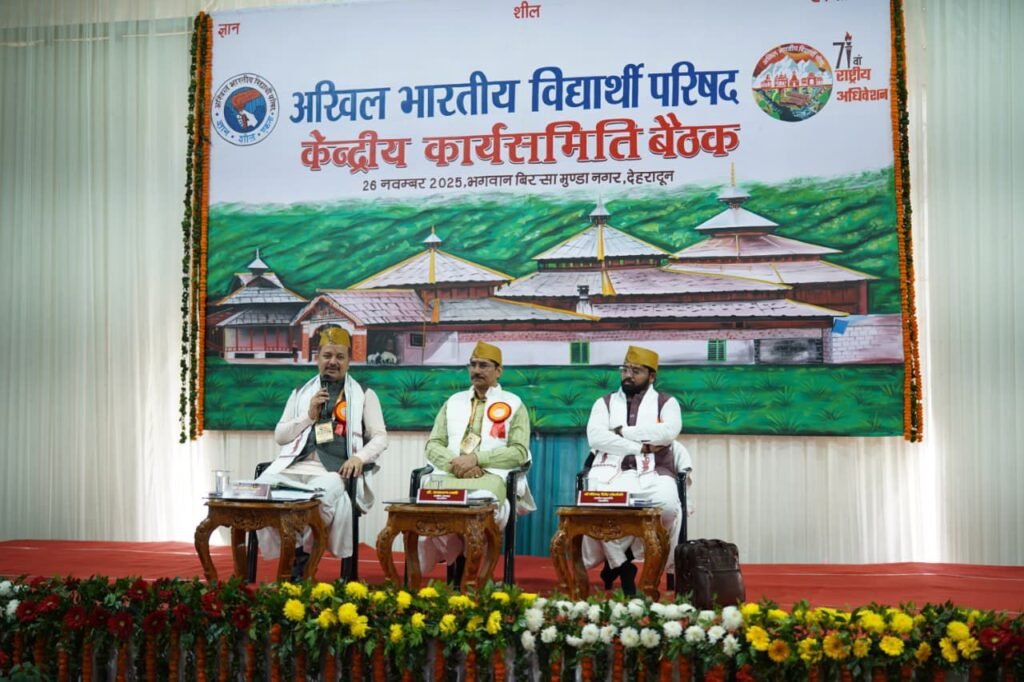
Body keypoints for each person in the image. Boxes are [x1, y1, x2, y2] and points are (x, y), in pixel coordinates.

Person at [256, 326, 388, 578]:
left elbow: (380, 437)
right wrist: (308, 416)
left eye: (340, 357)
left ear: (349, 361)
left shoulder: (365, 394)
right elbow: (281, 436)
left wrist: (359, 458)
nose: (333, 362)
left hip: (335, 470)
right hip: (295, 465)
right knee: (262, 490)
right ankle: (293, 550)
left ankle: (302, 558)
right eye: (327, 355)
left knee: (321, 498)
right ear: (317, 358)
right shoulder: (301, 393)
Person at [417, 341, 534, 573]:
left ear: (499, 370)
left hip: (491, 476)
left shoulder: (514, 403)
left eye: (483, 365)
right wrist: (457, 464)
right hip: (451, 472)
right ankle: (454, 565)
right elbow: (433, 445)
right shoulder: (453, 402)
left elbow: (519, 451)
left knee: (477, 510)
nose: (476, 370)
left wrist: (477, 459)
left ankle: (469, 573)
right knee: (429, 508)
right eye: (472, 365)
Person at [581, 345, 690, 594]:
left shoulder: (666, 402)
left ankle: (624, 556)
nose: (628, 375)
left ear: (651, 376)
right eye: (625, 369)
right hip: (611, 470)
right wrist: (639, 447)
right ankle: (621, 564)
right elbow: (596, 438)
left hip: (654, 471)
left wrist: (622, 432)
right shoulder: (604, 402)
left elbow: (668, 432)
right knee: (598, 507)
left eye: (636, 371)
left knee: (669, 508)